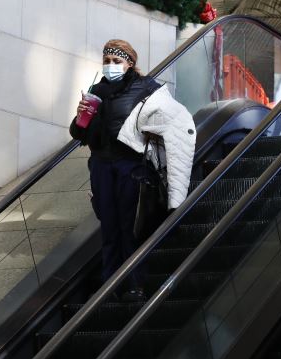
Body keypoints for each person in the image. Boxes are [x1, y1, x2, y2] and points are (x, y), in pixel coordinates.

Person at [70, 39, 196, 302]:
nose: (111, 66)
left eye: (117, 61)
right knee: (109, 228)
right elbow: (78, 134)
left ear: (129, 63)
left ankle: (134, 285)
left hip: (131, 167)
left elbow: (174, 118)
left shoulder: (145, 88)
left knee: (131, 227)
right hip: (101, 166)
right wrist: (80, 116)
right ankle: (109, 286)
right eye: (106, 61)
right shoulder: (96, 91)